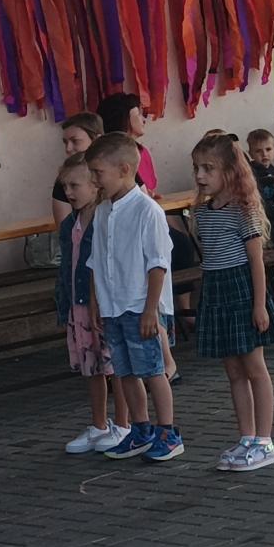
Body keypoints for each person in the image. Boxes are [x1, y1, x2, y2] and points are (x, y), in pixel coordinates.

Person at [84, 132, 183, 462]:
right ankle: (140, 429)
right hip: (113, 306)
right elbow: (97, 261)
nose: (94, 180)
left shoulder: (147, 210)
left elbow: (158, 264)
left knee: (153, 370)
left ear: (124, 169)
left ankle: (168, 432)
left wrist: (151, 310)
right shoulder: (102, 212)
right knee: (124, 371)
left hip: (140, 306)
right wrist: (96, 302)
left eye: (98, 173)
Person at [191, 133, 274, 472]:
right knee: (233, 370)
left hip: (241, 289)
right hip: (216, 289)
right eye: (197, 168)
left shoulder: (243, 211)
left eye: (208, 168)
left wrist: (259, 305)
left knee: (254, 367)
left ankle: (265, 441)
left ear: (230, 171)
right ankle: (246, 437)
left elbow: (256, 262)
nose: (200, 175)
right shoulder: (203, 212)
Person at [54, 152, 130, 454]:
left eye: (75, 186)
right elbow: (66, 267)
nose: (69, 193)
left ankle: (124, 424)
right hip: (78, 305)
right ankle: (99, 424)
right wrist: (65, 304)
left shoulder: (104, 219)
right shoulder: (69, 224)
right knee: (92, 368)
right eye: (65, 187)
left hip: (104, 305)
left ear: (94, 186)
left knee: (116, 365)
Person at [52, 112, 105, 227]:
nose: (68, 148)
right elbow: (64, 229)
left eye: (75, 141)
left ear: (97, 140)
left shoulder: (118, 171)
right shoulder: (65, 178)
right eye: (65, 142)